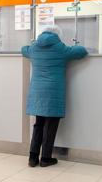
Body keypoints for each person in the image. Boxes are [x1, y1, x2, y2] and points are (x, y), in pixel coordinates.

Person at [21, 25, 88, 167]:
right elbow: (82, 51)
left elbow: (23, 49)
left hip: (37, 91)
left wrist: (31, 45)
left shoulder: (33, 47)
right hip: (53, 91)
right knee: (50, 126)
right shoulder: (61, 48)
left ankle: (32, 158)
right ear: (58, 35)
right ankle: (45, 158)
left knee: (38, 124)